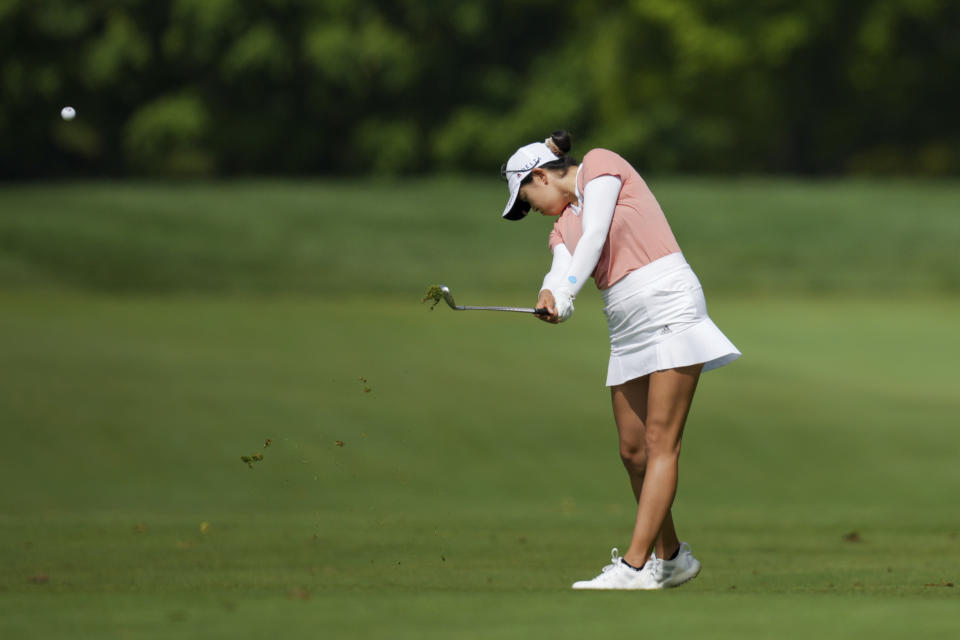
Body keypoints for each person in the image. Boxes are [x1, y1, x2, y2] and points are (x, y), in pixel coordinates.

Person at [500, 130, 741, 590]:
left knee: (660, 442)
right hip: (625, 323)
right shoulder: (560, 226)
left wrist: (569, 290)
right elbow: (561, 264)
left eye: (527, 198)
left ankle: (634, 566)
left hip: (669, 302)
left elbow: (594, 237)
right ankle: (672, 557)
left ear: (538, 175)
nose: (531, 209)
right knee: (633, 451)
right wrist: (550, 294)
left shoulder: (601, 165)